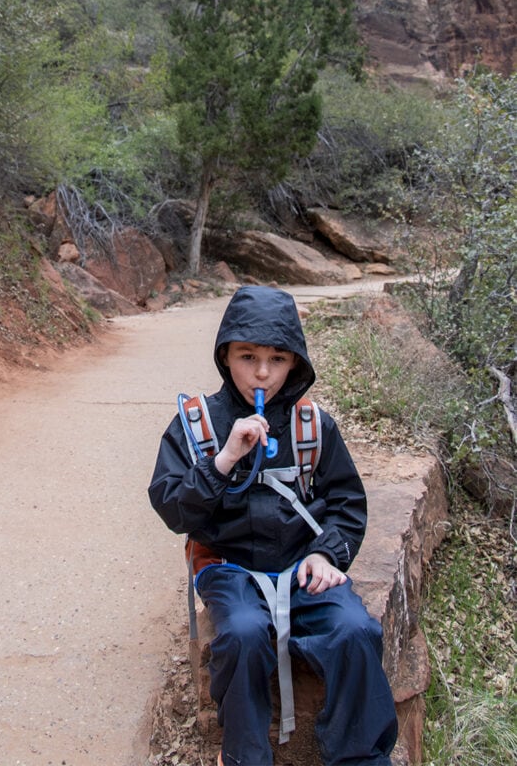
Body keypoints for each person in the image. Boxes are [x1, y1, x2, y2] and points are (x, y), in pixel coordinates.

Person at [148, 285, 398, 766]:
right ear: (225, 356)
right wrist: (223, 461)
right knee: (242, 634)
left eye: (277, 359)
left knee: (354, 630)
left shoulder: (312, 425)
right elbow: (173, 509)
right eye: (247, 356)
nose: (261, 372)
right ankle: (244, 755)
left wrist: (328, 554)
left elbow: (346, 501)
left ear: (296, 365)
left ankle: (360, 756)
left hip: (301, 564)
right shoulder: (196, 423)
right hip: (228, 566)